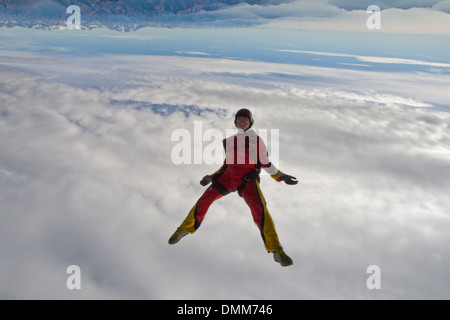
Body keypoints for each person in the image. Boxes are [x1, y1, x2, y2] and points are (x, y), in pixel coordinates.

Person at [168, 109, 298, 267]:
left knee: (260, 211)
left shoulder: (257, 141)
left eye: (245, 120)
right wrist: (212, 177)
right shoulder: (228, 141)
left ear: (251, 123)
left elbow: (265, 163)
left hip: (247, 180)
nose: (242, 123)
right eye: (239, 120)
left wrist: (281, 176)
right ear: (235, 123)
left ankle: (276, 250)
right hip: (227, 178)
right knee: (203, 201)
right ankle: (184, 229)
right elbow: (226, 165)